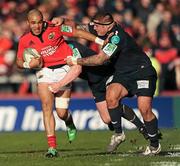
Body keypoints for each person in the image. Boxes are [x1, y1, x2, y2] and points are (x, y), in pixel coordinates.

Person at [66, 12, 161, 155]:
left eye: (97, 26)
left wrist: (76, 61)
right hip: (123, 74)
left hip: (142, 72)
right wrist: (61, 21)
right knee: (111, 96)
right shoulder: (103, 28)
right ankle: (118, 134)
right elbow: (78, 27)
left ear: (108, 25)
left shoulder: (116, 37)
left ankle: (154, 145)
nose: (95, 28)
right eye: (95, 25)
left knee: (144, 109)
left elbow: (100, 59)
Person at [16, 9, 106, 158]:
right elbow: (19, 61)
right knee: (46, 107)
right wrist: (27, 65)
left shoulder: (54, 27)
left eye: (39, 22)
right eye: (33, 23)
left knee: (61, 112)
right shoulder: (24, 40)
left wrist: (100, 41)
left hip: (64, 70)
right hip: (44, 72)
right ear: (28, 23)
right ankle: (52, 148)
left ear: (43, 21)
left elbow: (77, 32)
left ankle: (69, 121)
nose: (37, 26)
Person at [49, 40, 150, 153]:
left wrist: (59, 85)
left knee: (112, 102)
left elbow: (77, 69)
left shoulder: (70, 46)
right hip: (94, 83)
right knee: (107, 119)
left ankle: (141, 128)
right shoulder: (52, 53)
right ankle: (119, 130)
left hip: (105, 73)